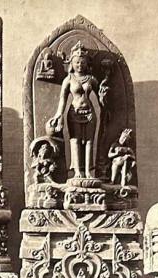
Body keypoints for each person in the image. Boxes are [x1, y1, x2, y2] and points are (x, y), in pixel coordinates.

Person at [48, 42, 108, 179]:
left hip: (89, 113)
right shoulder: (68, 79)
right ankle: (77, 171)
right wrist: (59, 114)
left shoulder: (91, 79)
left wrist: (104, 97)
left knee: (89, 141)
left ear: (87, 64)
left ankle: (88, 171)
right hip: (74, 113)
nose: (80, 65)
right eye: (77, 62)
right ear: (72, 63)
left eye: (82, 62)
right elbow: (62, 99)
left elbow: (100, 98)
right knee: (75, 141)